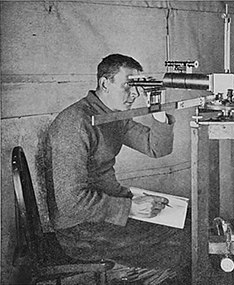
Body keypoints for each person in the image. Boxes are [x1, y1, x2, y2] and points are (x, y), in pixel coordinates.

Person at [45, 54, 190, 283]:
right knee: (184, 242)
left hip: (106, 213)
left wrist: (158, 111)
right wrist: (131, 208)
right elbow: (71, 202)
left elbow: (155, 148)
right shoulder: (75, 122)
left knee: (189, 220)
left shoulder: (112, 115)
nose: (134, 94)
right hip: (80, 231)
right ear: (105, 83)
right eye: (128, 86)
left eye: (137, 86)